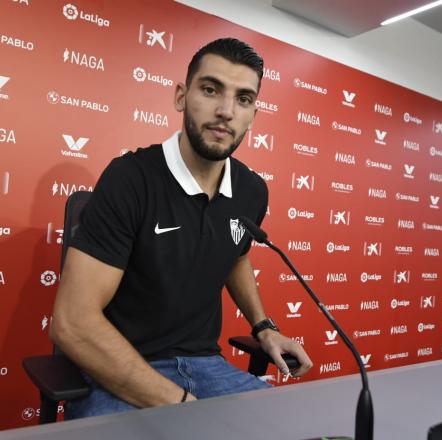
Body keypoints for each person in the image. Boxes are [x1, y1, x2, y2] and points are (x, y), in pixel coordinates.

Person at [50, 38, 312, 419]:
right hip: (122, 366)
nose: (226, 111)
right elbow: (73, 323)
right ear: (180, 97)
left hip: (207, 365)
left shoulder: (253, 189)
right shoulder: (131, 178)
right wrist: (183, 409)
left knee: (294, 423)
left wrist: (263, 327)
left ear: (253, 114)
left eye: (243, 99)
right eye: (210, 90)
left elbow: (236, 254)